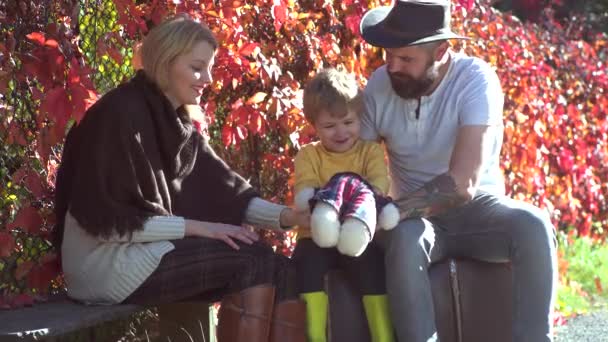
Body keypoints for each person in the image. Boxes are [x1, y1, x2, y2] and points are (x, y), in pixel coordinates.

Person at [53, 15, 307, 342]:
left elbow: (227, 192)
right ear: (165, 63)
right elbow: (113, 220)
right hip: (104, 263)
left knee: (282, 269)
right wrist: (199, 227)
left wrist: (290, 217)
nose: (208, 79)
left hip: (146, 254)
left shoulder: (177, 126)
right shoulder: (119, 115)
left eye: (210, 68)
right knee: (253, 263)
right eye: (197, 68)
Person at [358, 1, 557, 342]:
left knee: (534, 225)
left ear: (441, 51)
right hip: (414, 221)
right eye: (388, 56)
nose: (392, 66)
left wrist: (392, 210)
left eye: (406, 59)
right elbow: (356, 162)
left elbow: (462, 184)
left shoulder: (475, 80)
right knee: (405, 241)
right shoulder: (380, 84)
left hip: (479, 209)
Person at [291, 68, 395, 342]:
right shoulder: (308, 155)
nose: (341, 132)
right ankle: (314, 336)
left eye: (348, 122)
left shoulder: (369, 151)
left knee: (372, 267)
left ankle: (383, 335)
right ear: (314, 125)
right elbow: (306, 193)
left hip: (356, 233)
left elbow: (378, 187)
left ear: (359, 117)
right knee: (305, 268)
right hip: (315, 236)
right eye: (329, 126)